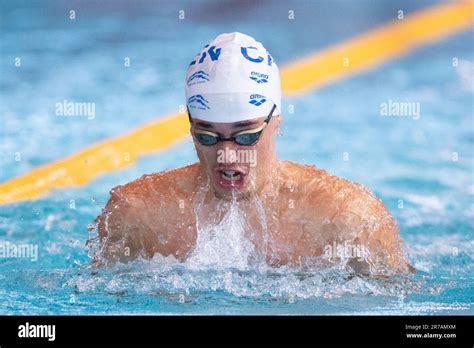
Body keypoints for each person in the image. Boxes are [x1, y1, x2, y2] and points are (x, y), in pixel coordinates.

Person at [94, 32, 411, 275]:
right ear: (190, 129)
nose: (228, 156)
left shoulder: (348, 219)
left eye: (246, 136)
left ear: (276, 123)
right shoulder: (137, 215)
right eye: (208, 136)